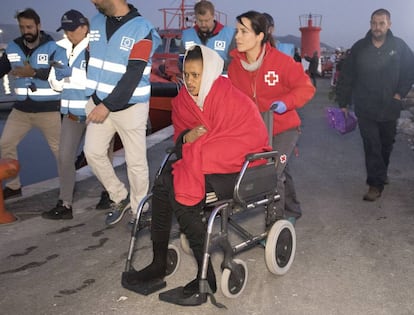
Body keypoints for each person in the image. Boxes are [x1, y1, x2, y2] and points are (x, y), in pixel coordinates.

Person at [123, 45, 271, 301]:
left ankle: (207, 278)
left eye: (196, 75)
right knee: (164, 183)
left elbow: (249, 138)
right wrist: (186, 138)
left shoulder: (231, 98)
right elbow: (183, 141)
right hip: (201, 164)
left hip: (237, 170)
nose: (190, 82)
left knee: (176, 185)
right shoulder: (183, 102)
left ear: (211, 73)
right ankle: (158, 263)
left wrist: (195, 147)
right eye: (186, 75)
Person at [227, 10, 315, 226]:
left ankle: (275, 225)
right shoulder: (234, 68)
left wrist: (286, 103)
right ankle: (293, 208)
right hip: (256, 130)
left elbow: (306, 88)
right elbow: (230, 99)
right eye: (237, 31)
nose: (237, 36)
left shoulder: (281, 62)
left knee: (272, 173)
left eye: (243, 31)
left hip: (284, 128)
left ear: (259, 36)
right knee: (283, 168)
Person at [83, 0, 161, 226]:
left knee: (135, 162)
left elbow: (134, 72)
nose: (93, 2)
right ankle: (119, 195)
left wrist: (107, 105)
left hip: (130, 107)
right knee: (93, 153)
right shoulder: (96, 22)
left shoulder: (142, 29)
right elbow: (91, 57)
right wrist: (92, 97)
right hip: (98, 102)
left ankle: (140, 208)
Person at [336, 8, 414, 201]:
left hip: (390, 106)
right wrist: (343, 102)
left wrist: (399, 93)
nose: (376, 27)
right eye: (373, 23)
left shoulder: (399, 46)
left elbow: (410, 70)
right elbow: (347, 75)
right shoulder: (360, 47)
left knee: (386, 144)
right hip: (366, 107)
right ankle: (374, 185)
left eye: (381, 23)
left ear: (389, 24)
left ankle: (381, 172)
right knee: (372, 145)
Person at [41, 10, 111, 219]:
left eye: (72, 30)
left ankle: (109, 193)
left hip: (94, 112)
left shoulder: (95, 48)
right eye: (65, 30)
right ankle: (65, 204)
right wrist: (62, 77)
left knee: (100, 156)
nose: (69, 34)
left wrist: (72, 74)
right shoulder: (60, 49)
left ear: (84, 27)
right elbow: (54, 83)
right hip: (70, 113)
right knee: (64, 156)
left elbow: (96, 80)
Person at [0, 8, 61, 200]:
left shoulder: (53, 47)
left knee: (59, 150)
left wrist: (33, 72)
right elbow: (2, 68)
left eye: (29, 26)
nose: (26, 30)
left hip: (48, 109)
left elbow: (59, 74)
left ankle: (67, 186)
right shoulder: (12, 47)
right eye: (22, 27)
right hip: (21, 110)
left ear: (38, 26)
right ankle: (13, 185)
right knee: (6, 143)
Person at [181, 0, 235, 68]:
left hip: (221, 77)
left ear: (213, 16)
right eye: (200, 20)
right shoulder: (187, 35)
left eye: (206, 20)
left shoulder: (229, 34)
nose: (203, 24)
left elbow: (235, 62)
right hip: (195, 77)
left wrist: (211, 65)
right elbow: (181, 62)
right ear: (195, 17)